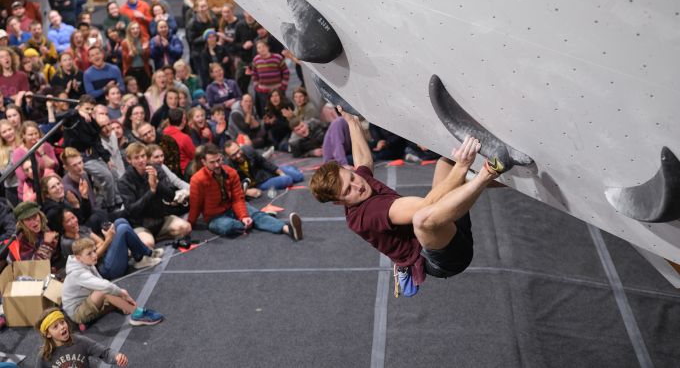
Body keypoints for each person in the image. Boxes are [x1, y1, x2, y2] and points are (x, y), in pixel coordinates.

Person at [309, 107, 501, 293]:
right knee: (422, 220)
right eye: (348, 190)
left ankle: (515, 177)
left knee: (445, 161)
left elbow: (363, 162)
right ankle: (487, 173)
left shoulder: (360, 182)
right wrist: (462, 167)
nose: (358, 185)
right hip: (446, 259)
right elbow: (427, 205)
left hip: (451, 228)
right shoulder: (368, 214)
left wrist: (351, 120)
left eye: (352, 177)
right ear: (339, 202)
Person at [188, 143, 303, 240]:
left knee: (255, 215)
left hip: (232, 208)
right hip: (215, 217)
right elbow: (195, 206)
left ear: (221, 157)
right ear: (204, 162)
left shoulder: (231, 173)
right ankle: (250, 221)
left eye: (219, 160)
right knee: (227, 226)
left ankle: (288, 229)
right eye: (212, 162)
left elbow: (238, 199)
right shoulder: (197, 180)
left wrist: (243, 216)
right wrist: (190, 224)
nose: (217, 165)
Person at [61, 237, 164, 326]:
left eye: (94, 250)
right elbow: (104, 287)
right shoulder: (77, 273)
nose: (94, 255)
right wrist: (122, 294)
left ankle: (111, 310)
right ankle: (137, 315)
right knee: (105, 291)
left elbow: (101, 281)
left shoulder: (85, 262)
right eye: (89, 253)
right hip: (77, 312)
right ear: (78, 258)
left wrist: (119, 294)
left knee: (112, 292)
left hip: (87, 299)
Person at [118, 142, 192, 243]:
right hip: (140, 223)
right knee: (148, 243)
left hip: (160, 219)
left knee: (186, 228)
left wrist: (158, 184)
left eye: (143, 156)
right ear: (129, 160)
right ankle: (147, 240)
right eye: (136, 158)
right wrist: (151, 191)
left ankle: (154, 239)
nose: (141, 160)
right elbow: (132, 211)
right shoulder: (124, 181)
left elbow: (171, 196)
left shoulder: (156, 169)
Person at [58, 209, 162, 279]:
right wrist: (107, 240)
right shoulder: (67, 243)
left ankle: (141, 257)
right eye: (68, 221)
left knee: (120, 221)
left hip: (105, 258)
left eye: (73, 217)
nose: (73, 222)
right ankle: (146, 254)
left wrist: (98, 248)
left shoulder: (81, 229)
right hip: (102, 270)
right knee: (123, 229)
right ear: (62, 226)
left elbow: (100, 242)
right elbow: (89, 260)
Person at [62, 95, 121, 211]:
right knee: (107, 176)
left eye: (91, 109)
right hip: (80, 157)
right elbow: (63, 117)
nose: (89, 111)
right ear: (80, 107)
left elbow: (97, 142)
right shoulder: (74, 118)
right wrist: (78, 113)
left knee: (113, 172)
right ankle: (111, 205)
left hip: (93, 155)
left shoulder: (91, 121)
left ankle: (118, 201)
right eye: (86, 109)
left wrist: (107, 158)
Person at [34, 308, 130, 367]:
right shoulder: (44, 356)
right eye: (55, 327)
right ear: (48, 334)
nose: (62, 327)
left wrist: (117, 357)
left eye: (62, 322)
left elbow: (105, 352)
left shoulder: (81, 342)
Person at [225, 141, 303, 194]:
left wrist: (279, 171)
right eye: (234, 155)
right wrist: (247, 191)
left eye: (238, 151)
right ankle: (285, 169)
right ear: (228, 156)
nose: (238, 156)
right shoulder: (228, 168)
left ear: (240, 147)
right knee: (288, 180)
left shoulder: (248, 150)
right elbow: (231, 188)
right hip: (258, 183)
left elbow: (264, 162)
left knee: (299, 177)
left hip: (263, 172)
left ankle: (284, 168)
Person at [8, 201, 60, 268]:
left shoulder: (44, 229)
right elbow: (35, 267)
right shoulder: (21, 240)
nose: (34, 222)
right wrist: (46, 244)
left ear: (40, 215)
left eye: (35, 216)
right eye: (27, 219)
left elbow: (54, 259)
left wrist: (53, 245)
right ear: (22, 223)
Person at [251, 40, 289, 117]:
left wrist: (283, 86)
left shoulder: (277, 57)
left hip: (278, 90)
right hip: (263, 92)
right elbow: (254, 74)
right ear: (257, 50)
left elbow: (286, 72)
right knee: (267, 111)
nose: (261, 49)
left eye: (263, 47)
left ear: (268, 47)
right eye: (259, 48)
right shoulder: (256, 59)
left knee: (281, 110)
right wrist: (256, 87)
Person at [162, 109, 195, 174]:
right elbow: (194, 156)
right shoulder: (184, 138)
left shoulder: (163, 133)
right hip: (185, 171)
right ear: (183, 120)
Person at [121, 21, 151, 92]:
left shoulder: (144, 41)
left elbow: (147, 58)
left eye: (137, 28)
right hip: (131, 70)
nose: (136, 30)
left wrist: (143, 51)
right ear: (129, 31)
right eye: (133, 29)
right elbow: (126, 61)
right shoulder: (125, 43)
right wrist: (131, 55)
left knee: (146, 90)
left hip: (143, 69)